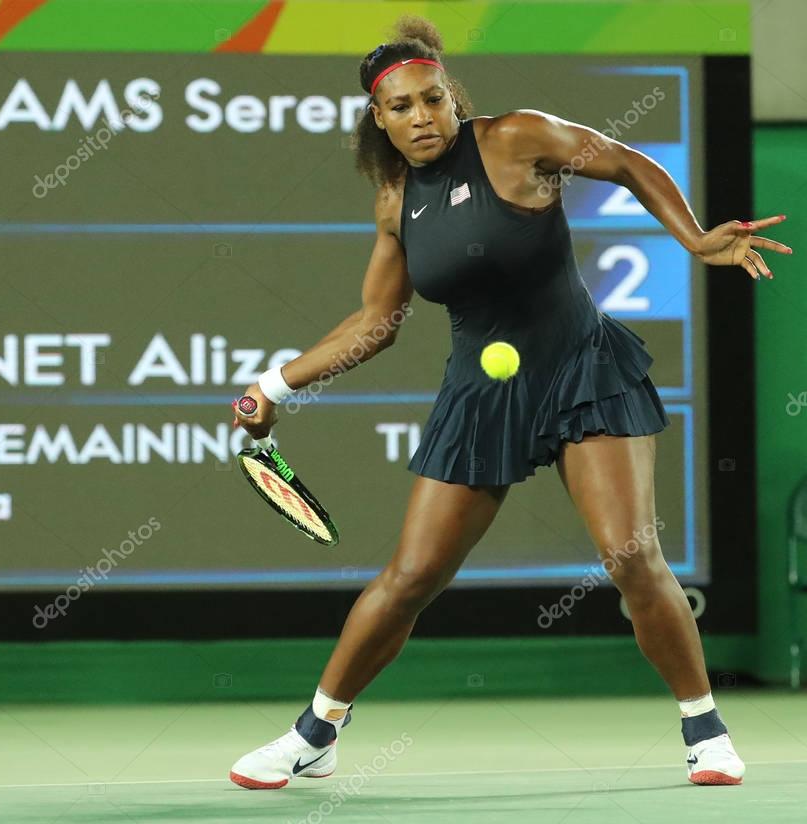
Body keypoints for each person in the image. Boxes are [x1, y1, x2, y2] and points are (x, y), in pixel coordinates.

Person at [228, 16, 792, 790]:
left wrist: (693, 239)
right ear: (378, 119)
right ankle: (315, 732)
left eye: (432, 100)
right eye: (402, 108)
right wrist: (274, 386)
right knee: (410, 576)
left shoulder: (518, 137)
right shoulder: (396, 203)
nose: (421, 117)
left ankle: (704, 728)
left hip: (581, 368)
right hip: (480, 392)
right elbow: (375, 323)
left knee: (630, 558)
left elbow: (626, 162)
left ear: (450, 95)